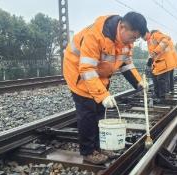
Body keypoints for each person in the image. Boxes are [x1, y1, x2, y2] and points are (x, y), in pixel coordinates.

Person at [63, 12, 148, 164]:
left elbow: (126, 64)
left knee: (100, 111)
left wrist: (139, 82)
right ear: (122, 27)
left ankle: (100, 146)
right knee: (88, 112)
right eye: (133, 37)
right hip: (78, 72)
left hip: (99, 75)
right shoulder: (95, 35)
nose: (133, 41)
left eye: (136, 38)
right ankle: (88, 151)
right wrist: (103, 96)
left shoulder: (126, 42)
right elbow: (87, 69)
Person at [143, 30, 177, 102]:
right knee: (160, 77)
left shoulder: (155, 35)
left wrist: (154, 53)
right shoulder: (149, 40)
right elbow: (152, 53)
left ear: (146, 33)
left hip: (165, 61)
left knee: (161, 79)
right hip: (165, 61)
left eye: (142, 36)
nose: (142, 39)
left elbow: (165, 42)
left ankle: (162, 97)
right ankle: (167, 92)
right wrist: (149, 61)